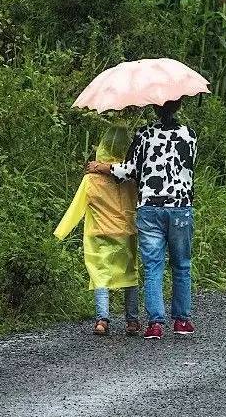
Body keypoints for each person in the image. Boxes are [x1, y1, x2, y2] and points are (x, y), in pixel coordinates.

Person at [87, 97, 197, 341]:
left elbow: (130, 170)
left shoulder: (144, 134)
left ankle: (155, 324)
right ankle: (181, 320)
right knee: (181, 265)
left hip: (150, 208)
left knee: (153, 266)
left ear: (155, 107)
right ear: (179, 106)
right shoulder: (189, 135)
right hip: (181, 207)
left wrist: (102, 167)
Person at [55, 125, 142, 337]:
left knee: (100, 275)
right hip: (126, 232)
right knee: (130, 274)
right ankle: (132, 321)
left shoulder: (90, 179)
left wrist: (60, 233)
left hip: (99, 234)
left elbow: (75, 209)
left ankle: (102, 320)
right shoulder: (131, 178)